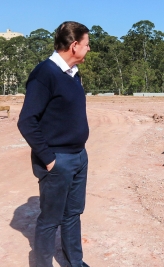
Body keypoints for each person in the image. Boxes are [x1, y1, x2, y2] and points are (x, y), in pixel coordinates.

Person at [17, 21, 91, 267]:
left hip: (79, 157)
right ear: (73, 45)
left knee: (72, 215)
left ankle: (74, 262)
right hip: (57, 160)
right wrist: (49, 159)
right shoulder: (44, 74)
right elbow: (27, 121)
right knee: (50, 220)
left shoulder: (73, 74)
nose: (88, 49)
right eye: (86, 44)